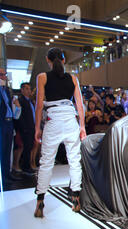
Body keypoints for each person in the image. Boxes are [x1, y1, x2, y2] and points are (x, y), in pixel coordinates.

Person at [33, 47, 87, 217]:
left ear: (48, 60)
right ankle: (76, 198)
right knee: (74, 160)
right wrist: (82, 126)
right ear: (63, 60)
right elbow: (80, 105)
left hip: (53, 121)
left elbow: (39, 105)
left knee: (47, 162)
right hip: (70, 120)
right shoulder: (72, 78)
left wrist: (37, 128)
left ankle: (40, 201)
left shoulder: (42, 77)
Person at [1, 67, 23, 185]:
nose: (4, 77)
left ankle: (7, 174)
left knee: (8, 150)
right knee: (2, 150)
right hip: (2, 123)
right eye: (2, 75)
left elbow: (13, 110)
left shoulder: (7, 91)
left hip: (9, 123)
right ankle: (3, 176)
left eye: (4, 75)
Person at [16, 82, 37, 175]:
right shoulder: (21, 101)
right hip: (26, 129)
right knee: (26, 148)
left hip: (32, 127)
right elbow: (20, 116)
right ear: (22, 90)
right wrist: (24, 128)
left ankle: (28, 165)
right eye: (27, 89)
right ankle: (25, 167)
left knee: (30, 147)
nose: (29, 91)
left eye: (30, 89)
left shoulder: (30, 101)